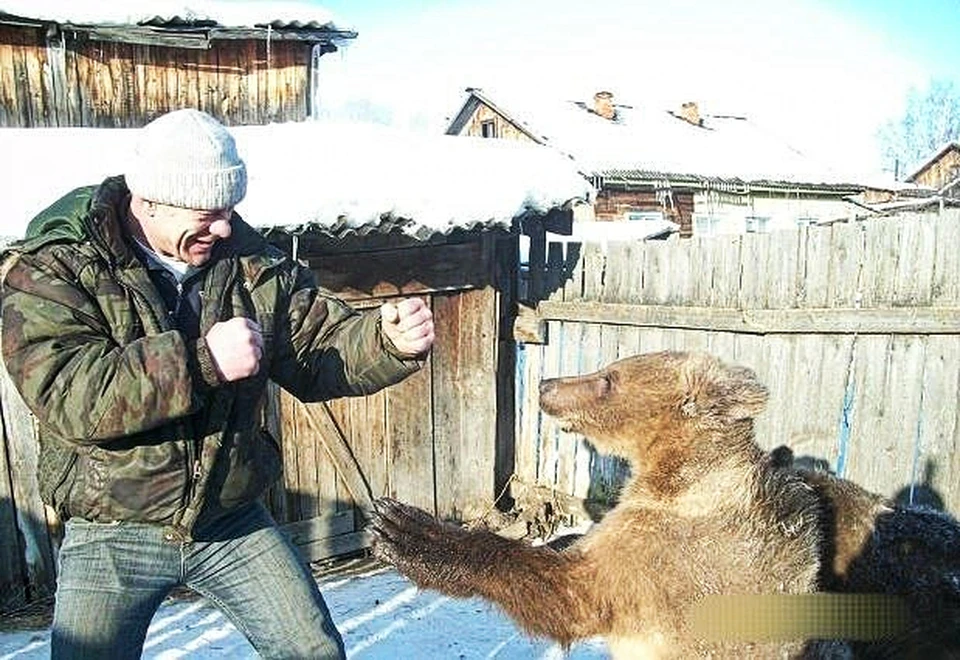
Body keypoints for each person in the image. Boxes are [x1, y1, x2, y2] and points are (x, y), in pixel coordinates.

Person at [0, 108, 435, 659]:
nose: (224, 229)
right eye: (207, 215)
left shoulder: (252, 267)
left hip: (230, 517)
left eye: (229, 211)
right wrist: (201, 361)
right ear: (149, 201)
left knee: (313, 652)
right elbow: (70, 393)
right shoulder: (57, 267)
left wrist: (386, 341)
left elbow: (316, 346)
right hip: (113, 527)